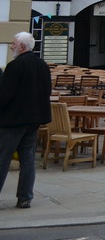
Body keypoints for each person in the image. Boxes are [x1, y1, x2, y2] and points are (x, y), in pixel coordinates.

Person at [0, 32, 52, 209]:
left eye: (13, 44)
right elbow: (47, 91)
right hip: (34, 119)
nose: (11, 47)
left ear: (22, 46)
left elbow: (5, 95)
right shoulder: (42, 65)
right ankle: (25, 198)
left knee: (2, 158)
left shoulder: (15, 66)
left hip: (13, 120)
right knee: (28, 159)